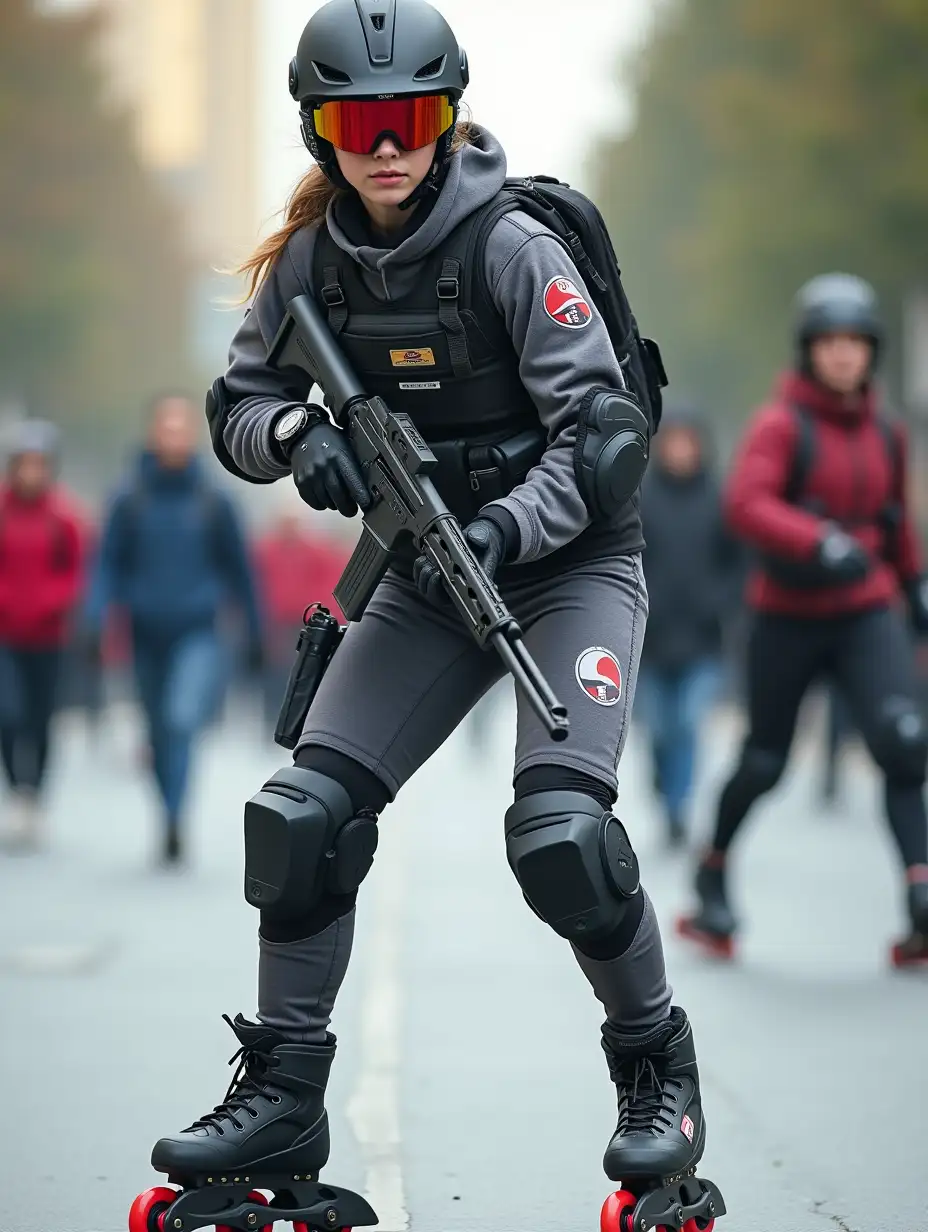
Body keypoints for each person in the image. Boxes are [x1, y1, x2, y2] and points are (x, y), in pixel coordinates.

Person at [136, 2, 723, 1227]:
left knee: (560, 837)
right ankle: (285, 1092)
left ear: (445, 119)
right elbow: (239, 402)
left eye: (410, 119)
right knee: (300, 818)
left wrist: (508, 528)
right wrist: (301, 434)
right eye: (359, 124)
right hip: (417, 576)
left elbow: (606, 435)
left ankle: (654, 1067)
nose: (387, 145)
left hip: (566, 572)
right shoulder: (310, 266)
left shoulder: (510, 245)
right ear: (322, 135)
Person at [678, 274, 928, 965]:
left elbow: (894, 520)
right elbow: (747, 503)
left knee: (905, 742)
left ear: (871, 351)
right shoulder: (782, 424)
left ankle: (920, 894)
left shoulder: (886, 430)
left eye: (855, 343)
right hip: (787, 618)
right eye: (830, 342)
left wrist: (916, 583)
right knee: (765, 761)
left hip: (864, 612)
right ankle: (713, 872)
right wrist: (816, 541)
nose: (844, 355)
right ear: (808, 350)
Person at [86, 395, 263, 866]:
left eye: (180, 428)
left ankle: (176, 815)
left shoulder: (214, 499)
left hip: (198, 633)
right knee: (158, 729)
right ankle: (167, 813)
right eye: (165, 427)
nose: (172, 436)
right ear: (152, 434)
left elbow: (240, 571)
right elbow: (106, 565)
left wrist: (256, 631)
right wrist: (94, 617)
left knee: (182, 718)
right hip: (144, 633)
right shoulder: (129, 497)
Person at [636, 405, 741, 847]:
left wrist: (719, 601)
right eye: (672, 442)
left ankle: (679, 806)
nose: (681, 451)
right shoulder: (639, 498)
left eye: (688, 442)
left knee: (687, 725)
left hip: (702, 641)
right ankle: (665, 785)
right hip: (649, 642)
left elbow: (741, 564)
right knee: (658, 729)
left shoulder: (721, 499)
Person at [0, 420, 86, 850]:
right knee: (8, 712)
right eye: (24, 464)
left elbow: (76, 570)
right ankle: (16, 784)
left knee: (40, 716)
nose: (30, 473)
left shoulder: (63, 516)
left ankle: (36, 791)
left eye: (39, 465)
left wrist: (55, 599)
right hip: (5, 633)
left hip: (49, 636)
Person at [253, 508, 348, 727]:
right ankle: (272, 720)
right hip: (275, 621)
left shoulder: (315, 550)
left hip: (302, 620)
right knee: (274, 672)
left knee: (301, 671)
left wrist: (319, 610)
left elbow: (329, 580)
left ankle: (297, 721)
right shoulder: (266, 550)